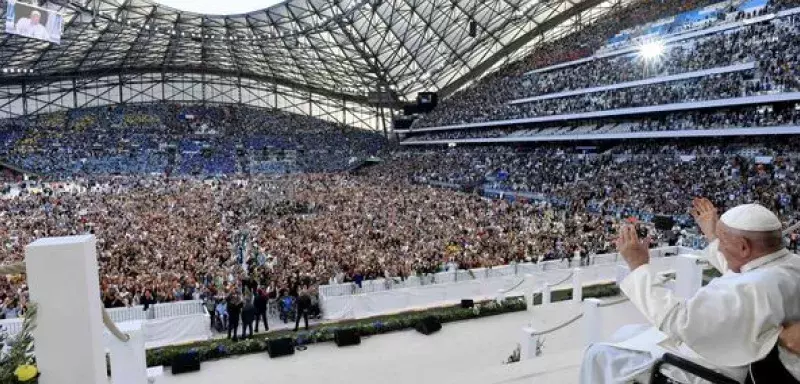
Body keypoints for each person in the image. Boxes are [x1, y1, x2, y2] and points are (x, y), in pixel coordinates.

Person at [580, 198, 800, 383]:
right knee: (627, 334)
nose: (719, 248)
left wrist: (638, 266)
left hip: (715, 367)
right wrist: (712, 233)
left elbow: (677, 320)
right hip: (743, 355)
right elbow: (742, 270)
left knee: (598, 354)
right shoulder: (785, 265)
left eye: (722, 241)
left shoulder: (749, 288)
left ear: (744, 247)